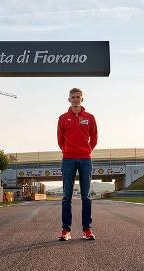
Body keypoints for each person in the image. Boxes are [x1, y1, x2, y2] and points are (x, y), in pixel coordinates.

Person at [57, 88, 98, 241]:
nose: (75, 99)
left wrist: (86, 151)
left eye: (78, 97)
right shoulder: (62, 118)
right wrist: (68, 151)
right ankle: (66, 230)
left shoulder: (90, 117)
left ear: (82, 99)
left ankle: (87, 229)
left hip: (85, 159)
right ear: (69, 100)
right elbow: (60, 140)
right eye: (73, 97)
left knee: (86, 196)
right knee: (66, 196)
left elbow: (94, 138)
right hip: (68, 160)